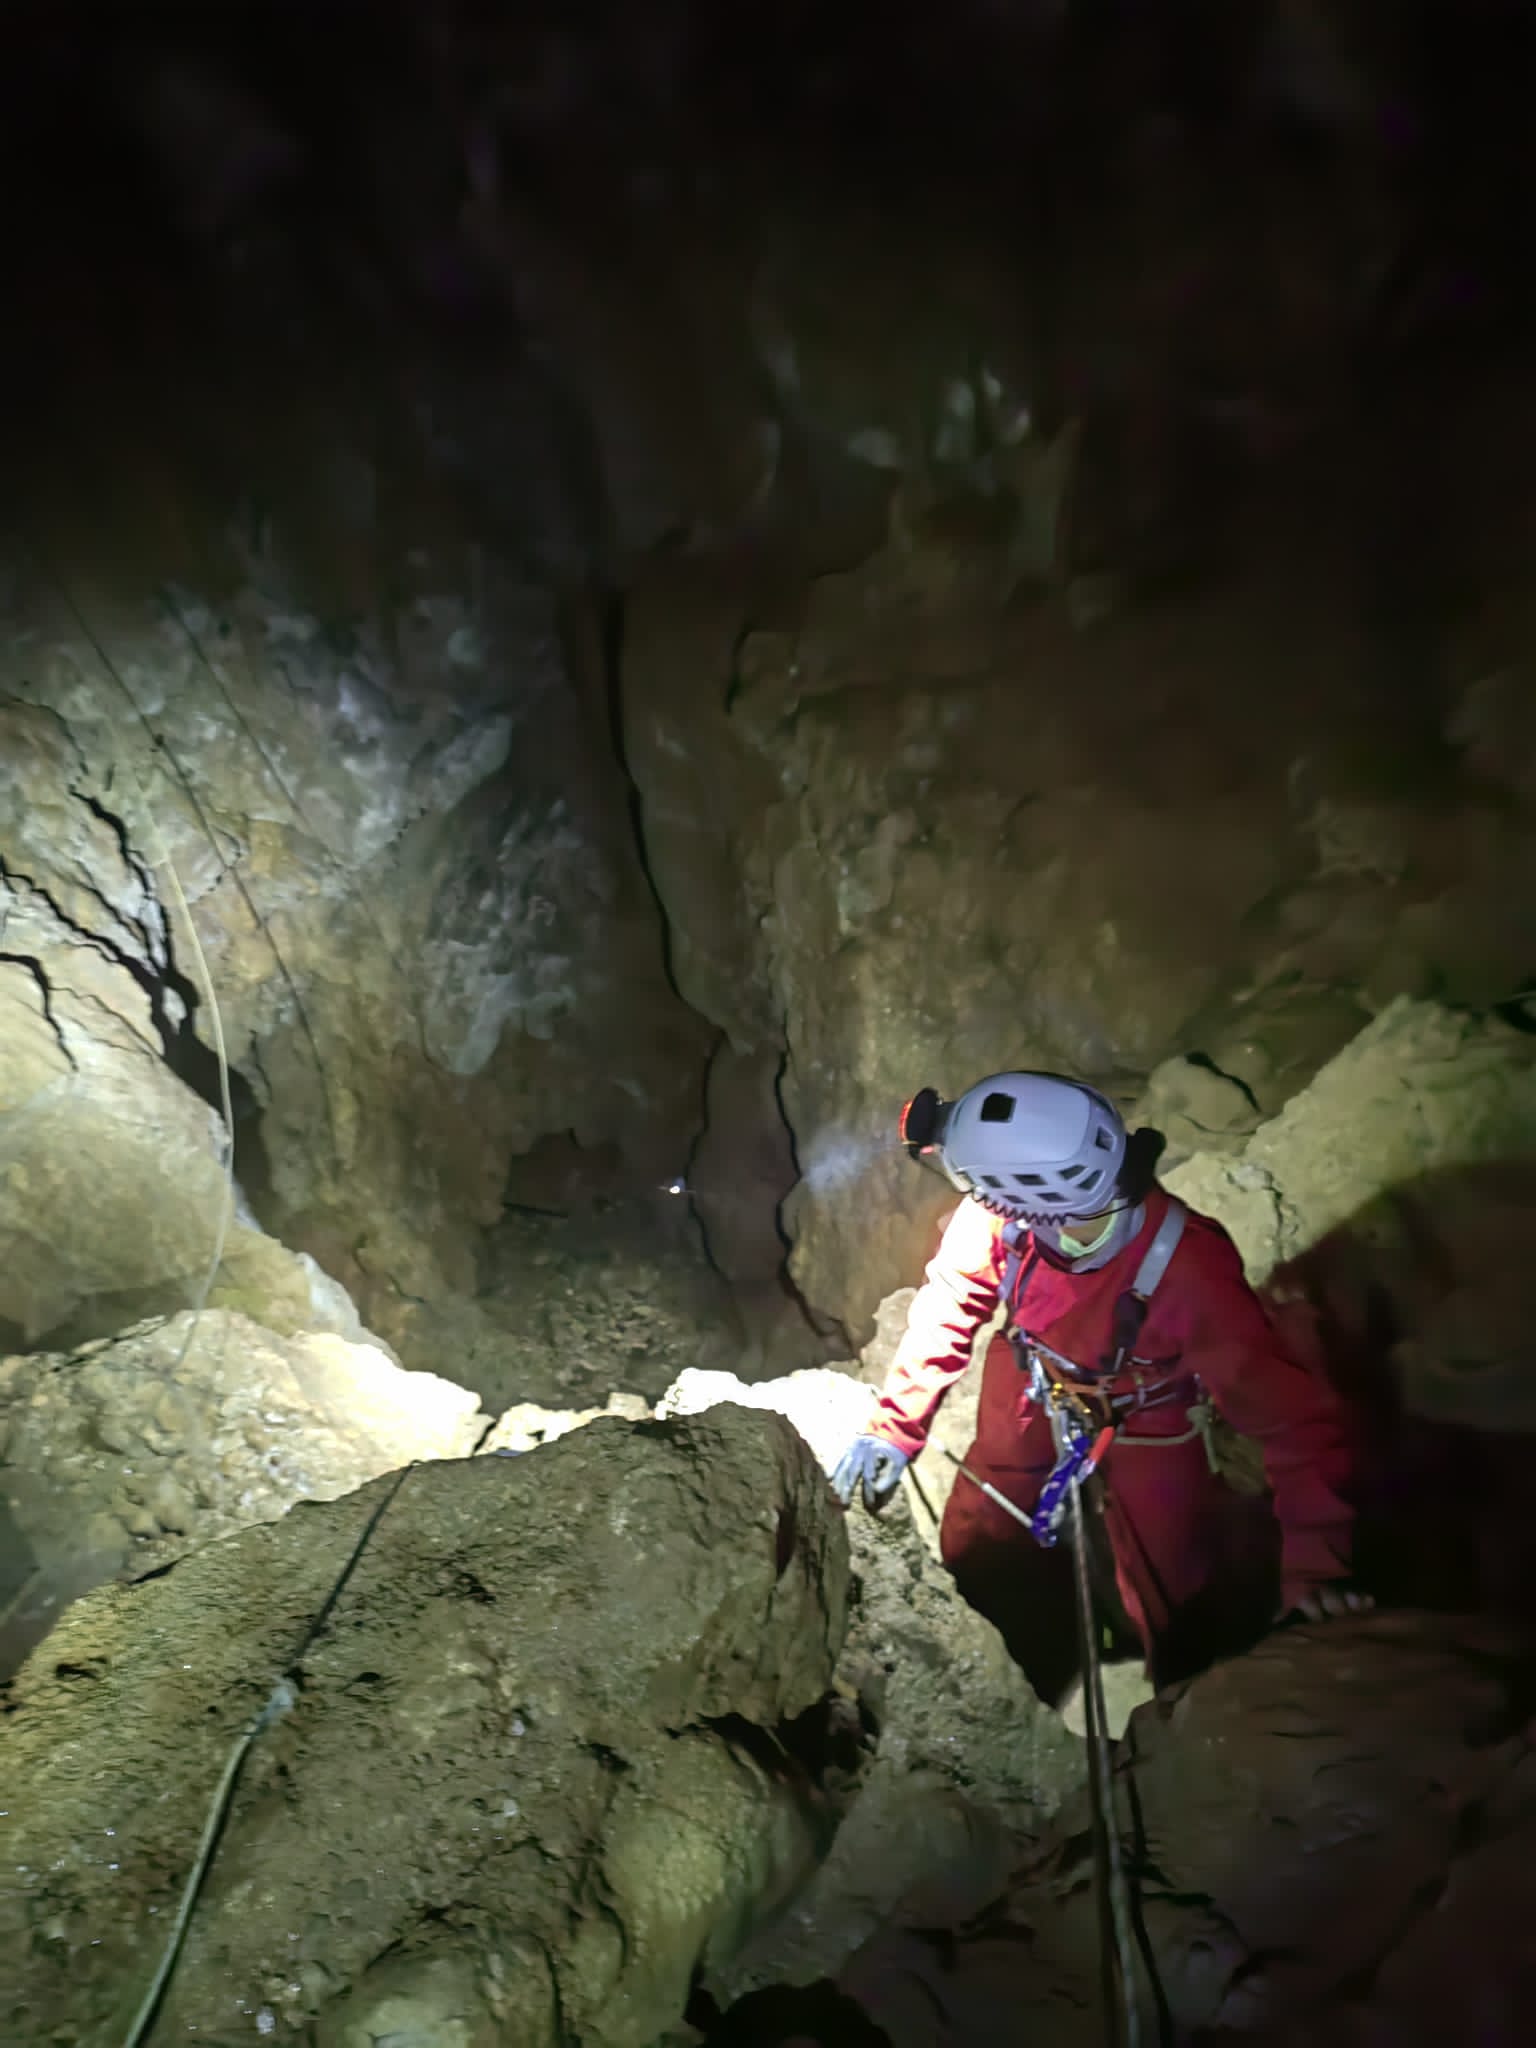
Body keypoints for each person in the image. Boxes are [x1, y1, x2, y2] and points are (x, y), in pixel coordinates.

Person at [832, 1071, 1370, 1701]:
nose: (975, 1198)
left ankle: (1180, 1698)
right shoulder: (1001, 1220)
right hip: (1036, 1381)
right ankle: (992, 1651)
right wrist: (895, 1427)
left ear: (1023, 1193)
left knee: (1171, 1573)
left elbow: (1292, 1422)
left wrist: (1319, 1568)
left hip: (1148, 1414)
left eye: (979, 1185)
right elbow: (951, 1304)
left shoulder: (1188, 1269)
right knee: (984, 1527)